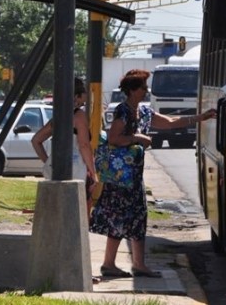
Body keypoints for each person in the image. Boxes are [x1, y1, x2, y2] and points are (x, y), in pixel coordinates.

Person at [89, 69, 216, 278]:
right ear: (131, 90)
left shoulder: (144, 112)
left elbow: (171, 122)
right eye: (142, 88)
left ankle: (128, 264)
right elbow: (114, 138)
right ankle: (118, 264)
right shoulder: (123, 111)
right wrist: (137, 138)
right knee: (124, 219)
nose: (146, 91)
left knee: (133, 219)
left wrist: (201, 117)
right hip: (121, 177)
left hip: (133, 177)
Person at [31, 77, 99, 220]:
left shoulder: (58, 116)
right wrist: (93, 172)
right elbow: (84, 145)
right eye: (84, 92)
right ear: (77, 95)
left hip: (55, 169)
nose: (86, 95)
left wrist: (48, 161)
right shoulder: (79, 115)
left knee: (56, 213)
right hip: (76, 170)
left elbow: (36, 140)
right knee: (77, 213)